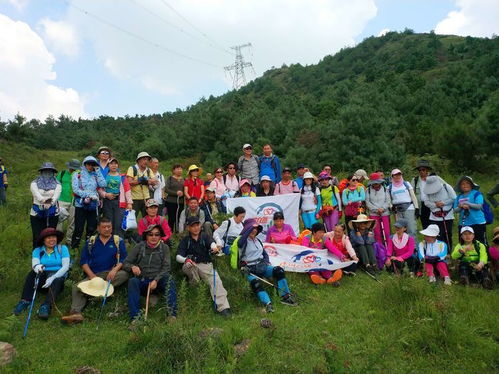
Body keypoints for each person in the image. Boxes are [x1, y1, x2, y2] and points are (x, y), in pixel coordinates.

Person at [61, 218, 129, 324]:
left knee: (124, 275)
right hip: (94, 274)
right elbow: (84, 262)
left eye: (109, 227)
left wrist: (115, 270)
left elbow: (124, 259)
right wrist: (92, 277)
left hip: (109, 275)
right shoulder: (91, 242)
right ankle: (75, 313)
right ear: (98, 228)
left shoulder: (117, 241)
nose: (107, 229)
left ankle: (96, 292)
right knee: (77, 287)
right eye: (104, 227)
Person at [230, 219, 297, 312]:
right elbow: (240, 243)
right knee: (256, 284)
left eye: (256, 229)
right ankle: (268, 304)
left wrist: (266, 262)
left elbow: (264, 254)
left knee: (279, 271)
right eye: (252, 229)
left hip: (261, 266)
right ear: (247, 229)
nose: (254, 230)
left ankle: (285, 297)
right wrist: (249, 229)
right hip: (249, 269)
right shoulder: (242, 240)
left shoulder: (257, 240)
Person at [176, 216, 231, 317]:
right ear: (188, 228)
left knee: (217, 281)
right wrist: (186, 260)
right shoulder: (185, 240)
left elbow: (212, 243)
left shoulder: (205, 236)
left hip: (206, 265)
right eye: (193, 226)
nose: (196, 228)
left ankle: (223, 308)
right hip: (191, 264)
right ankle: (194, 286)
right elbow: (178, 257)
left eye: (197, 225)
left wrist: (214, 248)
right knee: (188, 266)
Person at [123, 224, 177, 322]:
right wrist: (132, 267)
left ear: (160, 236)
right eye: (150, 234)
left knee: (169, 279)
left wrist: (156, 280)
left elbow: (166, 267)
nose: (153, 237)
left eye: (157, 235)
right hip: (142, 279)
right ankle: (135, 318)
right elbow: (126, 263)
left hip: (158, 281)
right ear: (146, 236)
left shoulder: (164, 248)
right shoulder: (139, 247)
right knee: (132, 281)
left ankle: (171, 314)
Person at [13, 228, 69, 319]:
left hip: (57, 276)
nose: (52, 240)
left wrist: (53, 277)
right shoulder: (37, 250)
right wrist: (37, 267)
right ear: (43, 240)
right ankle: (25, 301)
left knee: (58, 280)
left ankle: (46, 306)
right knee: (32, 274)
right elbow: (35, 264)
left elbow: (65, 267)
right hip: (42, 277)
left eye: (54, 237)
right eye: (48, 238)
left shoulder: (62, 248)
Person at [71, 156, 106, 250]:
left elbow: (103, 184)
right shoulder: (77, 174)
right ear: (84, 164)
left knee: (91, 227)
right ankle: (74, 247)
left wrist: (98, 171)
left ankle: (89, 247)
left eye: (93, 164)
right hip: (81, 204)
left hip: (93, 205)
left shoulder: (95, 175)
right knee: (79, 227)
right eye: (89, 164)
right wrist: (88, 195)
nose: (91, 166)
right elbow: (75, 189)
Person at [30, 162, 62, 248]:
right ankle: (36, 255)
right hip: (36, 213)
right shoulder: (34, 183)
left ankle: (50, 254)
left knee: (50, 235)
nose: (47, 173)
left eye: (50, 171)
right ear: (41, 172)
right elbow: (36, 193)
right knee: (37, 235)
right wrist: (43, 201)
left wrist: (50, 203)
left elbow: (56, 195)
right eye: (45, 171)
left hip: (52, 213)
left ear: (53, 173)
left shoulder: (57, 184)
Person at [423, 175, 456, 250]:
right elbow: (426, 202)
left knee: (447, 234)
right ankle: (436, 252)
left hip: (447, 216)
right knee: (435, 235)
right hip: (434, 217)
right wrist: (435, 205)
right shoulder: (426, 190)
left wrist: (444, 203)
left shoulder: (446, 186)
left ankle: (448, 252)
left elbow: (454, 198)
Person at [101, 158, 132, 237]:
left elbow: (127, 190)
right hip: (107, 201)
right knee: (108, 222)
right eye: (111, 163)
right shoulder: (104, 176)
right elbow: (99, 189)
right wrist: (106, 194)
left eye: (115, 163)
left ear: (118, 165)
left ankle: (119, 240)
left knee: (119, 222)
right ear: (108, 165)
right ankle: (108, 239)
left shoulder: (122, 177)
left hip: (119, 201)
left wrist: (129, 203)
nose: (114, 165)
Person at [454, 176, 487, 245]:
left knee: (480, 241)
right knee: (463, 242)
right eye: (463, 184)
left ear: (471, 185)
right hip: (463, 223)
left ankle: (484, 255)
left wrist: (467, 203)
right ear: (460, 186)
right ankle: (465, 255)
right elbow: (455, 210)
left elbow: (479, 206)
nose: (465, 185)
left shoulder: (477, 194)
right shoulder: (459, 196)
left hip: (477, 222)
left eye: (467, 183)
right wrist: (461, 207)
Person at [388, 169, 418, 239]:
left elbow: (413, 196)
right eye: (395, 175)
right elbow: (389, 200)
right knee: (400, 229)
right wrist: (391, 206)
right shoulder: (389, 187)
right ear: (392, 176)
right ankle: (403, 247)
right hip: (397, 210)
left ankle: (414, 247)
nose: (397, 176)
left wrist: (416, 207)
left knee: (411, 228)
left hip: (409, 208)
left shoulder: (406, 184)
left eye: (399, 174)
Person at [126, 152, 157, 218]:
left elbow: (155, 181)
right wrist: (139, 181)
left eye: (147, 160)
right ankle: (130, 228)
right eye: (144, 159)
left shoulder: (148, 170)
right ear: (139, 160)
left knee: (147, 217)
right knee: (132, 218)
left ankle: (146, 228)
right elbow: (129, 182)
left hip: (146, 197)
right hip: (134, 198)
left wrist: (146, 181)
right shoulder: (132, 168)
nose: (146, 161)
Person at [56, 159, 80, 244]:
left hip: (74, 200)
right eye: (71, 168)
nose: (72, 169)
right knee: (59, 221)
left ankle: (69, 240)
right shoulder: (62, 173)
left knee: (72, 221)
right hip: (61, 200)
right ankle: (58, 240)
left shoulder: (79, 174)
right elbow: (56, 184)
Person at [365, 172, 391, 246]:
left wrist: (382, 208)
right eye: (374, 184)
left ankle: (389, 248)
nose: (376, 185)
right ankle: (379, 249)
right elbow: (368, 202)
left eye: (377, 183)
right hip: (373, 214)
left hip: (385, 213)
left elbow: (388, 201)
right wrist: (376, 210)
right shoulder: (368, 190)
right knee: (377, 233)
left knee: (386, 232)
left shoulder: (385, 189)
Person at [411, 160, 434, 229]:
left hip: (432, 204)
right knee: (425, 224)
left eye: (423, 170)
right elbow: (411, 193)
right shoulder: (415, 180)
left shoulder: (433, 178)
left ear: (427, 170)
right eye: (419, 170)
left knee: (434, 224)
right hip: (421, 205)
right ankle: (427, 239)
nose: (421, 171)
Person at [164, 164, 184, 232]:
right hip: (171, 202)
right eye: (178, 169)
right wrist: (176, 193)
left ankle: (178, 232)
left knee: (179, 217)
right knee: (171, 218)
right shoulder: (170, 179)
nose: (179, 170)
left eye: (181, 169)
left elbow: (186, 189)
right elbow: (166, 189)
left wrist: (183, 193)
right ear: (173, 170)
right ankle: (170, 232)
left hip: (181, 202)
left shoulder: (184, 179)